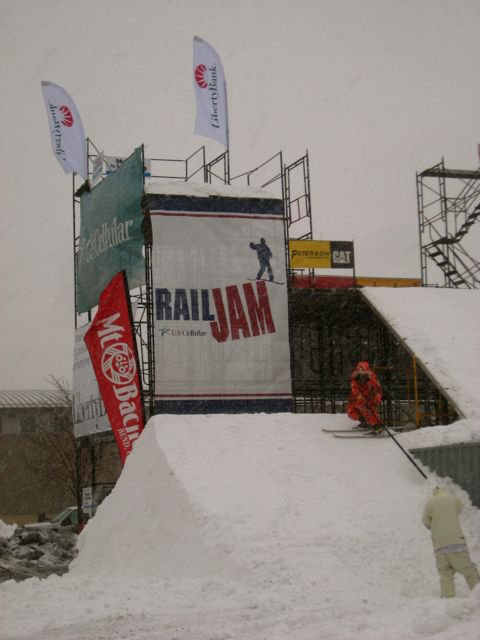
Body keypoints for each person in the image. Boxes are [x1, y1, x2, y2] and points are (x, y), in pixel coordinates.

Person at [422, 487, 480, 598]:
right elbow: (460, 509)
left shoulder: (430, 503)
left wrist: (435, 527)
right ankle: (478, 594)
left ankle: (447, 600)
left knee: (445, 574)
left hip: (439, 544)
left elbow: (425, 521)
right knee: (469, 570)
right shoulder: (453, 499)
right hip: (456, 541)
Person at [346, 361, 382, 432]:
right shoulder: (354, 382)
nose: (362, 377)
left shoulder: (372, 382)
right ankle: (365, 422)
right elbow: (356, 392)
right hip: (357, 401)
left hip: (371, 400)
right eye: (361, 375)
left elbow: (377, 391)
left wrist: (375, 400)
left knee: (370, 412)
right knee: (352, 412)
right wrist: (361, 399)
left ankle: (376, 425)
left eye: (364, 375)